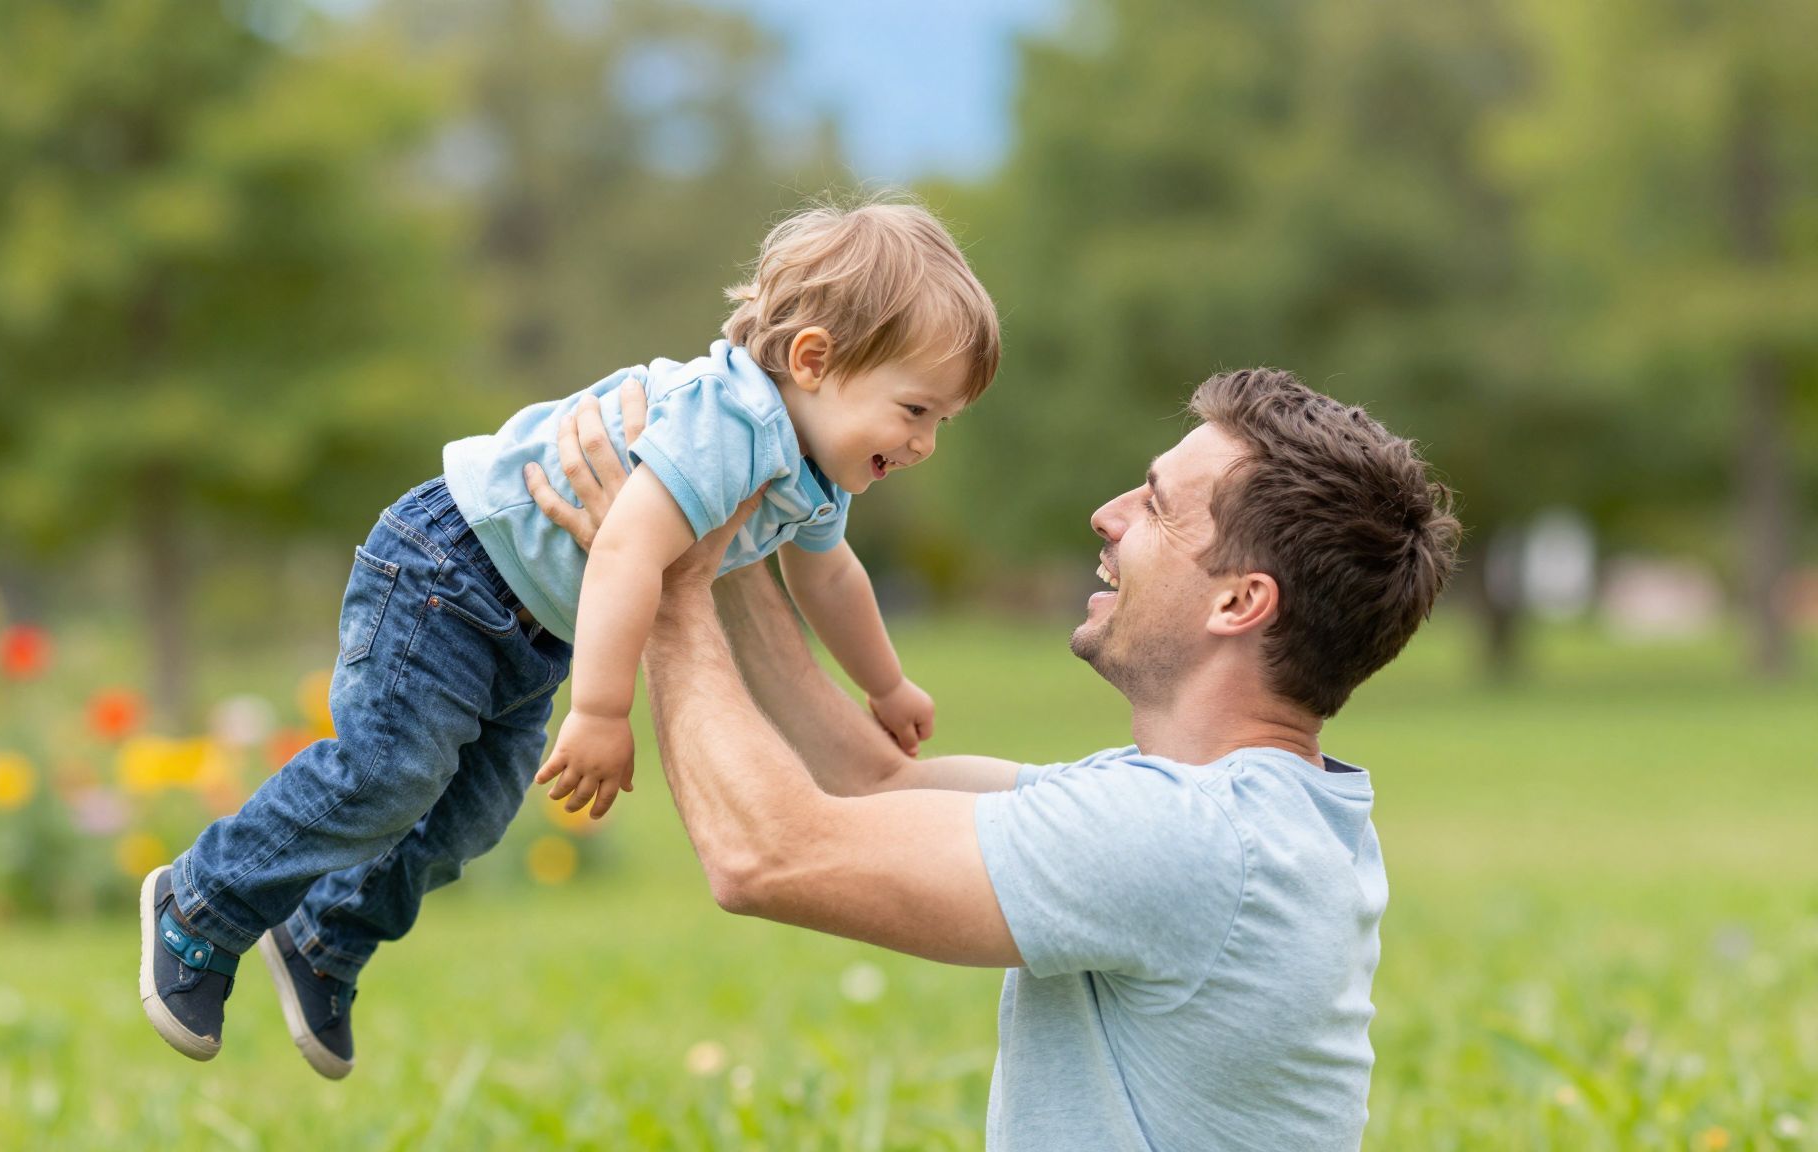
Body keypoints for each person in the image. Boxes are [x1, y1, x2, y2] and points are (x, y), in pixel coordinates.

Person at [137, 198, 1002, 1080]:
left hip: (533, 628)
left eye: (941, 422)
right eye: (915, 409)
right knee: (392, 767)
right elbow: (625, 544)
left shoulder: (815, 474)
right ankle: (201, 903)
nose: (926, 442)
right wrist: (601, 711)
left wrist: (886, 687)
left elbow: (831, 576)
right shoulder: (731, 424)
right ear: (815, 360)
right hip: (453, 569)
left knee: (471, 818)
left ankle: (322, 937)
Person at [529, 366, 1461, 1150]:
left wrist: (662, 586)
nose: (1107, 515)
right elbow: (872, 780)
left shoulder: (1194, 841)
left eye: (1158, 506)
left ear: (1238, 603)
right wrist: (706, 511)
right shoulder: (1227, 814)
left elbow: (766, 856)